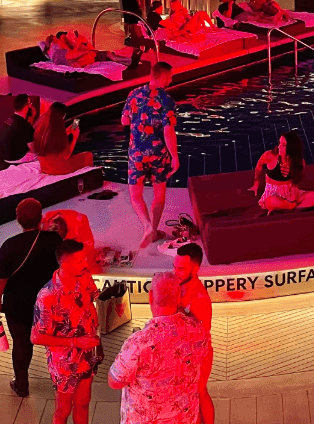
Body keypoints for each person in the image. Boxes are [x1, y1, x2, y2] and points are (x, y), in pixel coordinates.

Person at [109, 272, 210, 424]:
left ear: (150, 297)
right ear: (179, 298)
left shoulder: (138, 343)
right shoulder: (198, 331)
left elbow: (114, 382)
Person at [0, 198, 63, 398]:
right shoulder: (54, 240)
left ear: (17, 219)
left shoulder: (9, 245)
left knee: (22, 343)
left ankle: (21, 384)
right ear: (41, 217)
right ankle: (62, 380)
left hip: (18, 304)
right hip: (49, 302)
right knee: (56, 340)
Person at [32, 240, 101, 424]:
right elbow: (36, 336)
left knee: (84, 403)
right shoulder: (48, 296)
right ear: (64, 264)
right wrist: (76, 343)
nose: (85, 264)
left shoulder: (84, 275)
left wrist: (93, 313)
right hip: (64, 362)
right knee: (63, 410)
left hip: (86, 355)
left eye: (84, 259)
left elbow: (91, 296)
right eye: (79, 261)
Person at [122, 63, 179, 248]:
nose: (171, 80)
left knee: (135, 195)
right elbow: (168, 131)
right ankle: (153, 229)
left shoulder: (133, 94)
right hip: (158, 153)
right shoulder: (166, 99)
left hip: (136, 153)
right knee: (159, 194)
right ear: (163, 77)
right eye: (170, 77)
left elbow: (124, 120)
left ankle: (146, 226)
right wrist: (175, 157)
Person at [174, 243, 214, 424]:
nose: (176, 272)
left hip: (197, 354)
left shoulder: (200, 298)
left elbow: (202, 337)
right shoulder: (176, 284)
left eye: (181, 269)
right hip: (180, 353)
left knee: (198, 393)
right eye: (174, 267)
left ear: (196, 268)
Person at [250, 132, 314, 212]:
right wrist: (256, 182)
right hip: (273, 193)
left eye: (283, 145)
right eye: (279, 143)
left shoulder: (300, 162)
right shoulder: (269, 156)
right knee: (270, 202)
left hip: (289, 191)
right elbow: (259, 166)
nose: (279, 147)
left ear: (291, 148)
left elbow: (296, 182)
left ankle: (289, 208)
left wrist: (294, 195)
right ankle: (292, 207)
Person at [30, 102, 94, 176]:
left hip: (45, 167)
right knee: (88, 155)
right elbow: (66, 155)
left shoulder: (41, 127)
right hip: (58, 169)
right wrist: (75, 136)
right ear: (63, 116)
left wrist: (66, 132)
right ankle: (90, 179)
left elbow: (50, 139)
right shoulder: (59, 130)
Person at [0, 94, 38, 164]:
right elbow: (34, 149)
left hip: (4, 156)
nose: (31, 106)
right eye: (30, 104)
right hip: (16, 158)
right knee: (40, 154)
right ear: (26, 106)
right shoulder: (24, 125)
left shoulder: (8, 120)